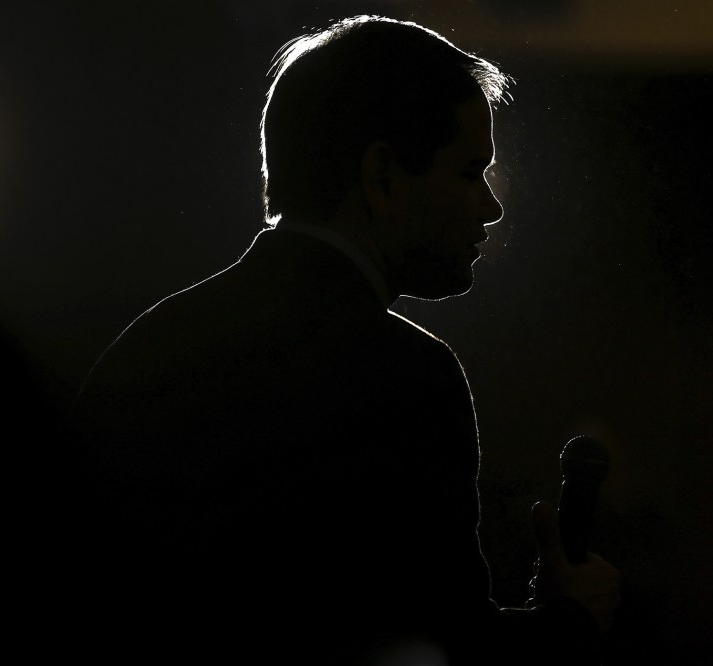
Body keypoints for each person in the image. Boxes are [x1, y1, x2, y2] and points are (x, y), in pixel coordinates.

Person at [71, 14, 620, 665]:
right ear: (383, 175)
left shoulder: (146, 350)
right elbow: (441, 649)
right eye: (471, 171)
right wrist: (571, 624)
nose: (491, 207)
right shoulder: (406, 376)